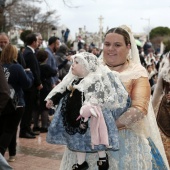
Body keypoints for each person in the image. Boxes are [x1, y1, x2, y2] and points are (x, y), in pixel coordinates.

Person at [58, 25, 169, 170]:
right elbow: (71, 94)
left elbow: (139, 109)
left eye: (117, 45)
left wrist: (104, 127)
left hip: (124, 140)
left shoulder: (137, 72)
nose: (111, 49)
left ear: (128, 47)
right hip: (86, 139)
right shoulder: (90, 67)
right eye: (107, 44)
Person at [45, 52, 131, 170]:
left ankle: (102, 159)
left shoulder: (93, 81)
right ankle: (81, 164)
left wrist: (92, 104)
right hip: (74, 116)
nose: (72, 65)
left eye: (76, 63)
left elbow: (102, 95)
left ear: (86, 66)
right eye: (73, 62)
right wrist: (53, 100)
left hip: (92, 119)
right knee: (77, 141)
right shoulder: (73, 81)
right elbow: (63, 91)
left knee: (97, 137)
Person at [0, 44, 33, 161]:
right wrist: (29, 73)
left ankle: (12, 154)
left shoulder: (1, 66)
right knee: (9, 130)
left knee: (7, 128)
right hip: (16, 102)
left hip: (2, 102)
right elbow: (27, 84)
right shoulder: (17, 67)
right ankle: (1, 154)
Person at [19, 33, 43, 139]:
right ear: (33, 42)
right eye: (37, 41)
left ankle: (28, 129)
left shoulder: (30, 52)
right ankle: (24, 130)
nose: (38, 43)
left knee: (30, 109)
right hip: (30, 87)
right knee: (28, 110)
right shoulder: (29, 53)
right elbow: (33, 70)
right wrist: (38, 83)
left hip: (31, 86)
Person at [152, 51, 170, 163]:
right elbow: (157, 93)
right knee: (164, 145)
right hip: (165, 111)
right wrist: (150, 111)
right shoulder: (165, 72)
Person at [36, 49, 57, 132]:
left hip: (37, 87)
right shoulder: (46, 66)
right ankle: (44, 126)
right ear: (46, 58)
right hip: (45, 88)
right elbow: (54, 72)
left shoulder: (37, 65)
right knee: (45, 107)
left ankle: (36, 125)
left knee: (36, 107)